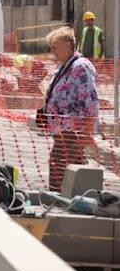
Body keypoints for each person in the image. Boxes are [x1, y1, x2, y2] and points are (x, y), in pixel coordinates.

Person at [41, 26, 99, 192]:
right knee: (70, 168)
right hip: (62, 129)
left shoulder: (81, 67)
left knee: (58, 166)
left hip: (73, 131)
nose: (53, 52)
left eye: (55, 47)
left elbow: (90, 101)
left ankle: (58, 200)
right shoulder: (64, 66)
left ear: (68, 45)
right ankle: (72, 197)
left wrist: (88, 132)